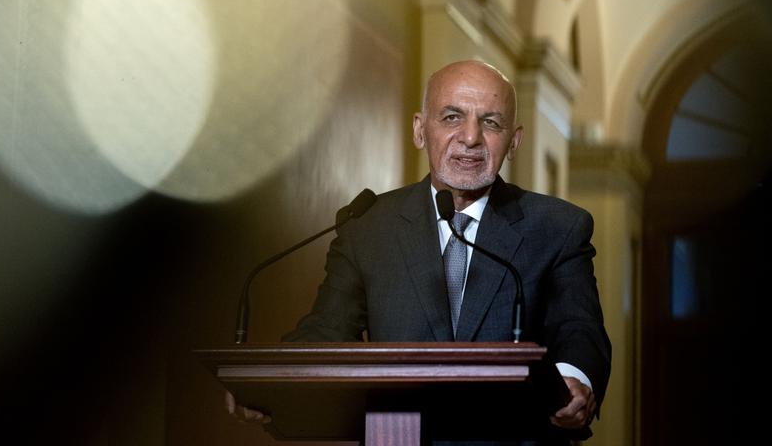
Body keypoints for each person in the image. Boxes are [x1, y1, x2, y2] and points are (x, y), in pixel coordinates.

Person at [227, 60, 610, 432]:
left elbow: (578, 328)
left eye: (490, 122)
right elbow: (326, 331)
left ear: (514, 141)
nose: (471, 138)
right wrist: (272, 385)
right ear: (419, 130)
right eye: (451, 117)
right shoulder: (368, 226)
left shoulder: (559, 227)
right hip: (396, 435)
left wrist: (573, 383)